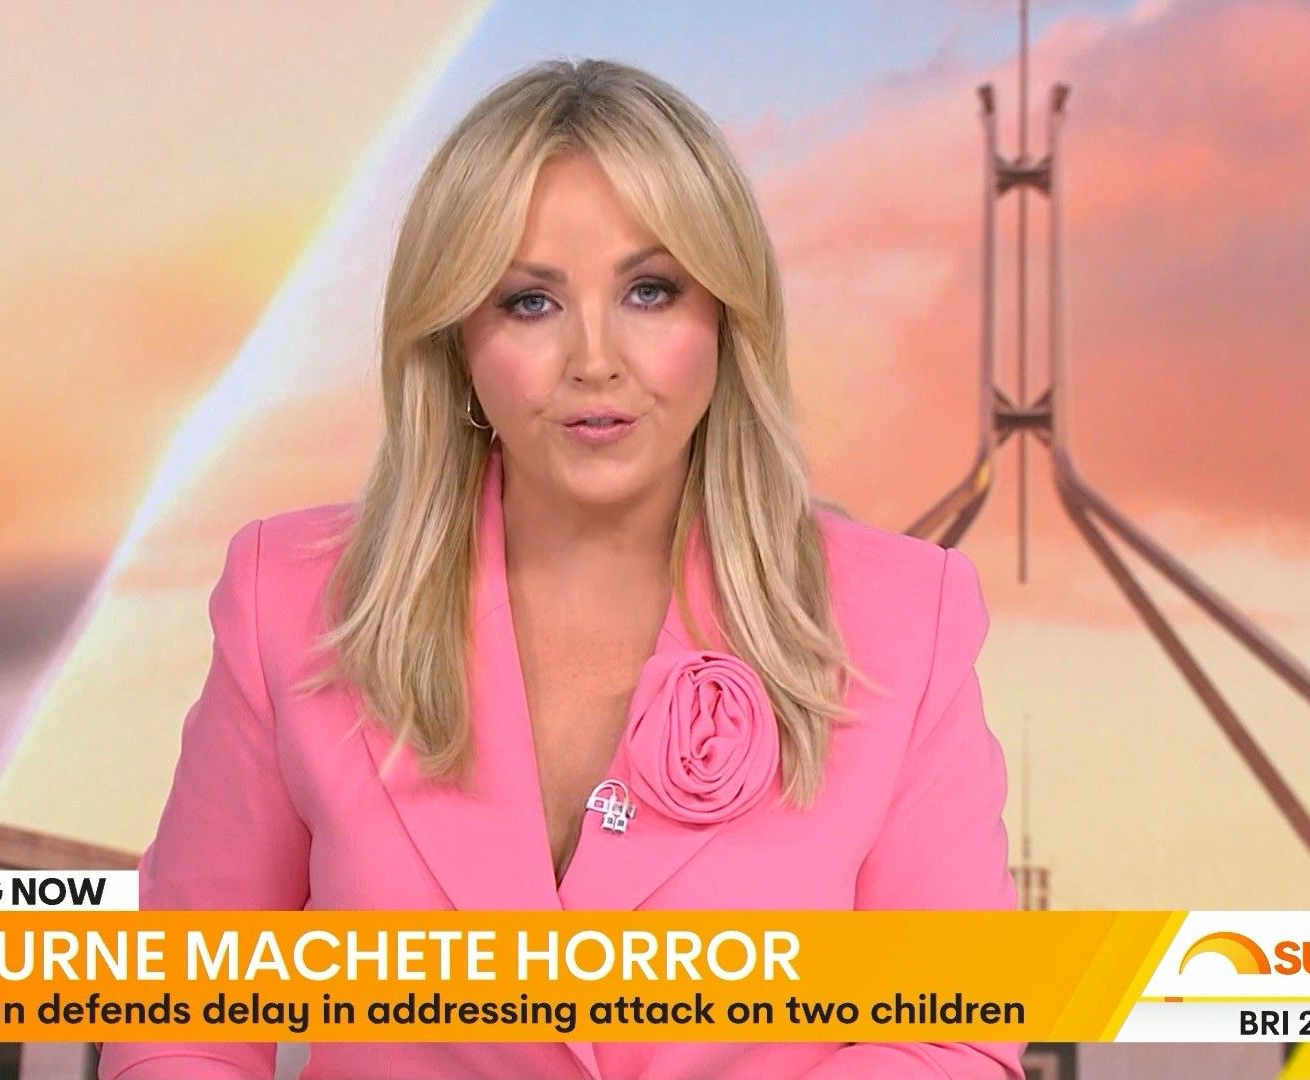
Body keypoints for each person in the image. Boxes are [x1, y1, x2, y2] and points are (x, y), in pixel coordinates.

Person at [99, 57, 1022, 1080]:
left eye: (650, 291)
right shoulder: (287, 598)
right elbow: (180, 1022)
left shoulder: (907, 618)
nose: (595, 360)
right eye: (530, 302)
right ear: (455, 337)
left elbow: (951, 1039)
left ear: (727, 319)